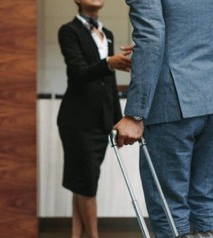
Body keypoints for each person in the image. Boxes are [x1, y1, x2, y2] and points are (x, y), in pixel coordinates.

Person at [113, 0, 213, 237]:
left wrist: (135, 113)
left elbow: (150, 37)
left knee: (169, 206)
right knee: (204, 198)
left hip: (173, 103)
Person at [57, 0, 132, 237]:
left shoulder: (106, 33)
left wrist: (118, 120)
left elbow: (108, 83)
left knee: (82, 183)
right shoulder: (69, 31)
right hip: (77, 120)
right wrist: (109, 62)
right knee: (87, 185)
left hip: (100, 121)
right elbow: (77, 72)